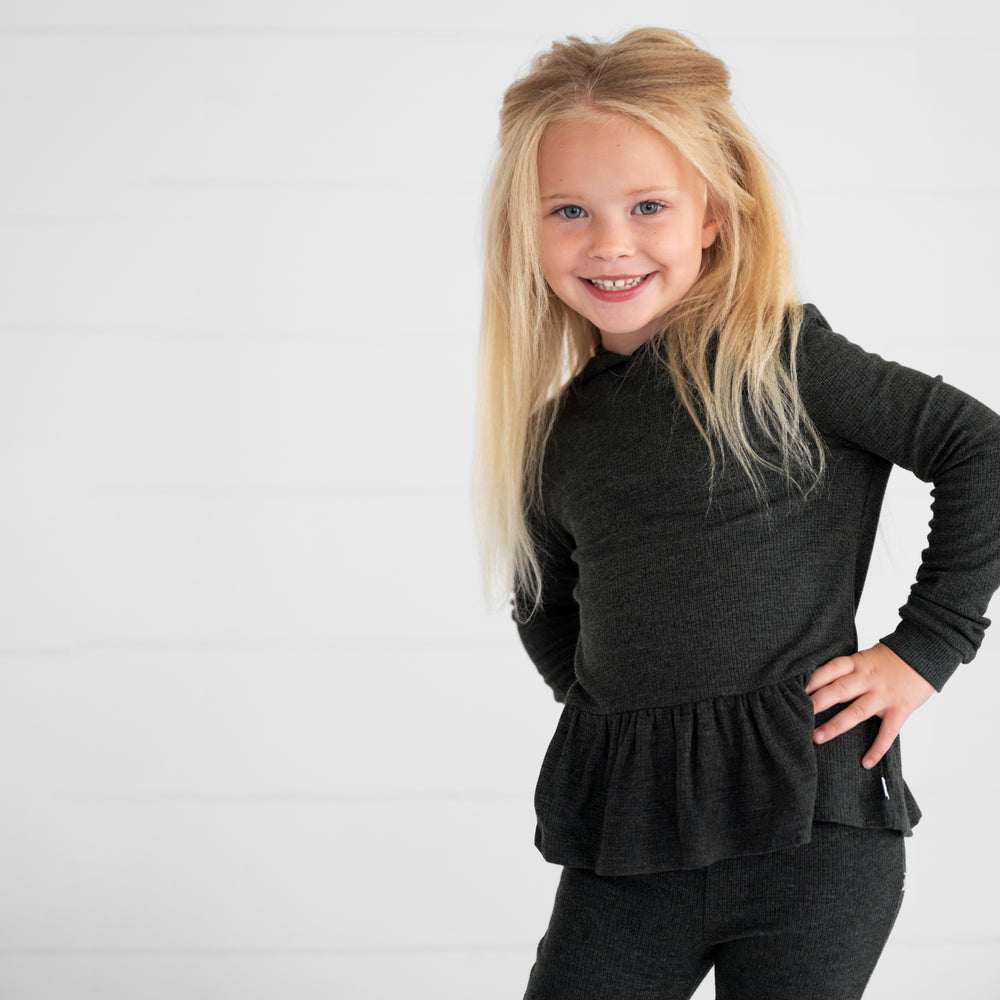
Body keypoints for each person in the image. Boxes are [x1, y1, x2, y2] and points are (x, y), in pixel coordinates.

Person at [473, 27, 1000, 1000]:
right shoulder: (556, 434)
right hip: (630, 853)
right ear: (527, 228)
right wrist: (624, 712)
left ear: (712, 214)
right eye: (569, 211)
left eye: (646, 206)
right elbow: (540, 593)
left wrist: (924, 645)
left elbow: (982, 450)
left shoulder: (783, 360)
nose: (610, 241)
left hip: (813, 841)